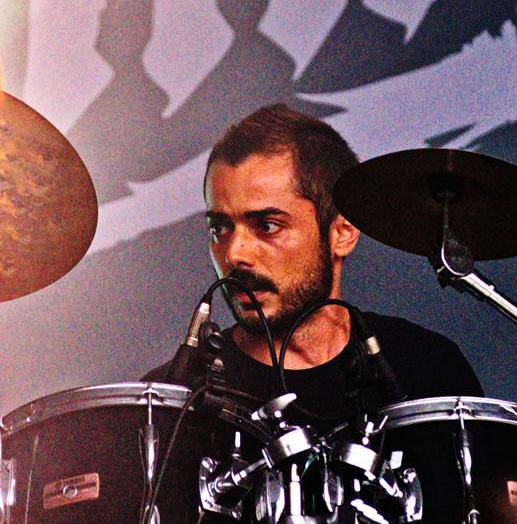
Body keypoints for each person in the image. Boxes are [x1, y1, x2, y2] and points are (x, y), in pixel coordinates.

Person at [149, 103, 481, 419]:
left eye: (267, 225)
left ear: (343, 233)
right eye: (219, 228)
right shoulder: (168, 404)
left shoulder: (429, 370)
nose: (234, 254)